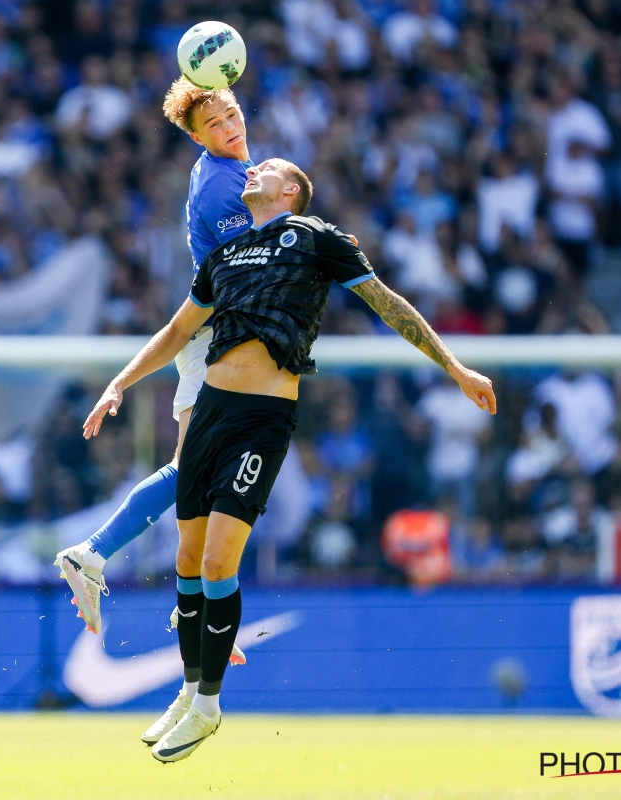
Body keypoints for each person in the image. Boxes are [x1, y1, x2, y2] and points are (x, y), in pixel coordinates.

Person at [82, 158, 496, 761]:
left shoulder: (314, 237)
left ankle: (208, 706)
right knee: (189, 559)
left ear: (292, 190)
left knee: (220, 561)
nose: (255, 167)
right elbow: (175, 332)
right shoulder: (223, 258)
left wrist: (455, 368)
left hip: (261, 419)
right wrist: (119, 382)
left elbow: (387, 303)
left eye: (269, 166)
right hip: (210, 411)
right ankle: (191, 686)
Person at [54, 76, 254, 636]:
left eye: (232, 114)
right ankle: (96, 555)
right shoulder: (221, 185)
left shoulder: (230, 173)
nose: (229, 127)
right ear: (196, 137)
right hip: (216, 339)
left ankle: (190, 604)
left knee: (205, 479)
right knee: (203, 472)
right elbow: (253, 268)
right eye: (213, 124)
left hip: (215, 338)